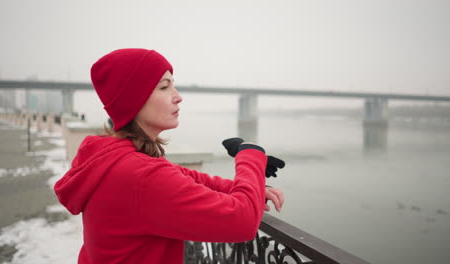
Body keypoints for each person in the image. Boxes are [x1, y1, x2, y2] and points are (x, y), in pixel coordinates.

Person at [54, 48, 284, 264]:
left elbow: (183, 176)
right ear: (135, 99)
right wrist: (251, 154)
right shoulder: (141, 176)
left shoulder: (116, 158)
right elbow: (241, 221)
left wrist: (244, 188)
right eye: (164, 87)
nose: (178, 97)